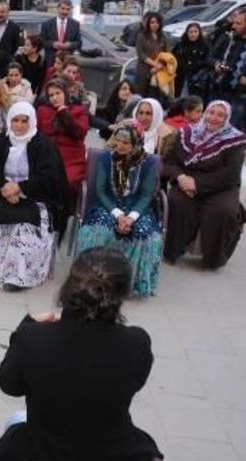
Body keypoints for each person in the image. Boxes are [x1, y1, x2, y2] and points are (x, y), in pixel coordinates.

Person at [0, 247, 163, 461]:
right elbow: (132, 383)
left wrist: (27, 325)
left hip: (42, 460)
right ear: (123, 293)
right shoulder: (137, 342)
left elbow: (9, 385)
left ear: (70, 286)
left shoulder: (34, 337)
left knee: (16, 421)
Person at [0, 101, 68, 292]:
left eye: (24, 121)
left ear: (31, 121)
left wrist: (20, 188)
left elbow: (50, 177)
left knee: (24, 225)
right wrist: (4, 187)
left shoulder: (43, 144)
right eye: (15, 120)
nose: (19, 125)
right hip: (4, 192)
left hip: (35, 196)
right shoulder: (2, 141)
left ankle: (19, 276)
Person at [76, 122, 163, 297]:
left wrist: (130, 218)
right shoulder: (106, 159)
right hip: (108, 205)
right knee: (97, 231)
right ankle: (91, 279)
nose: (120, 146)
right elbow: (100, 191)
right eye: (117, 140)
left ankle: (130, 284)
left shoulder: (148, 163)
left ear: (136, 143)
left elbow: (146, 195)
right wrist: (118, 215)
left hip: (137, 208)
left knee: (148, 237)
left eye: (126, 142)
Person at [162, 100, 246, 269]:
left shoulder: (234, 140)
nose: (214, 118)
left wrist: (197, 185)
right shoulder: (186, 133)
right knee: (178, 202)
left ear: (227, 118)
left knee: (223, 211)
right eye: (211, 112)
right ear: (205, 113)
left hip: (221, 187)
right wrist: (180, 177)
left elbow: (230, 173)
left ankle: (214, 259)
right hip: (186, 180)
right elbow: (169, 162)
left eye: (220, 115)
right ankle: (173, 251)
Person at [36, 79, 89, 195]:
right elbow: (37, 135)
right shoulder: (42, 111)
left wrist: (64, 113)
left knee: (65, 181)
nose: (55, 98)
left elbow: (80, 132)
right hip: (48, 157)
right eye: (51, 95)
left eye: (58, 93)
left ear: (65, 93)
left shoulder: (80, 111)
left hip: (72, 159)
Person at [210, 10, 246, 130]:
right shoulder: (227, 38)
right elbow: (210, 57)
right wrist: (216, 65)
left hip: (240, 98)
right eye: (234, 22)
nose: (233, 26)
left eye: (238, 23)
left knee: (233, 132)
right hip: (218, 92)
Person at [135, 12, 169, 97]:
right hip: (144, 69)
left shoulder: (162, 36)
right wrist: (154, 64)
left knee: (156, 95)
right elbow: (141, 53)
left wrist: (160, 65)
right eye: (152, 22)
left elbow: (166, 53)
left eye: (157, 22)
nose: (155, 24)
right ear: (148, 23)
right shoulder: (141, 36)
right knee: (142, 94)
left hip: (159, 70)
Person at [39, 0, 81, 67]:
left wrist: (70, 45)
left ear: (70, 10)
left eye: (68, 9)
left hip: (67, 62)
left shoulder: (75, 24)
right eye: (62, 8)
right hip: (51, 61)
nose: (65, 11)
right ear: (58, 8)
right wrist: (52, 44)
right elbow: (41, 41)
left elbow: (79, 42)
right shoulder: (47, 24)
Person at [173, 22, 210, 96]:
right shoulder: (181, 44)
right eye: (190, 32)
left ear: (199, 33)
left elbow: (208, 60)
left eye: (195, 32)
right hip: (181, 77)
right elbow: (173, 57)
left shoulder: (204, 45)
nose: (193, 34)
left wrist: (197, 64)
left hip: (197, 78)